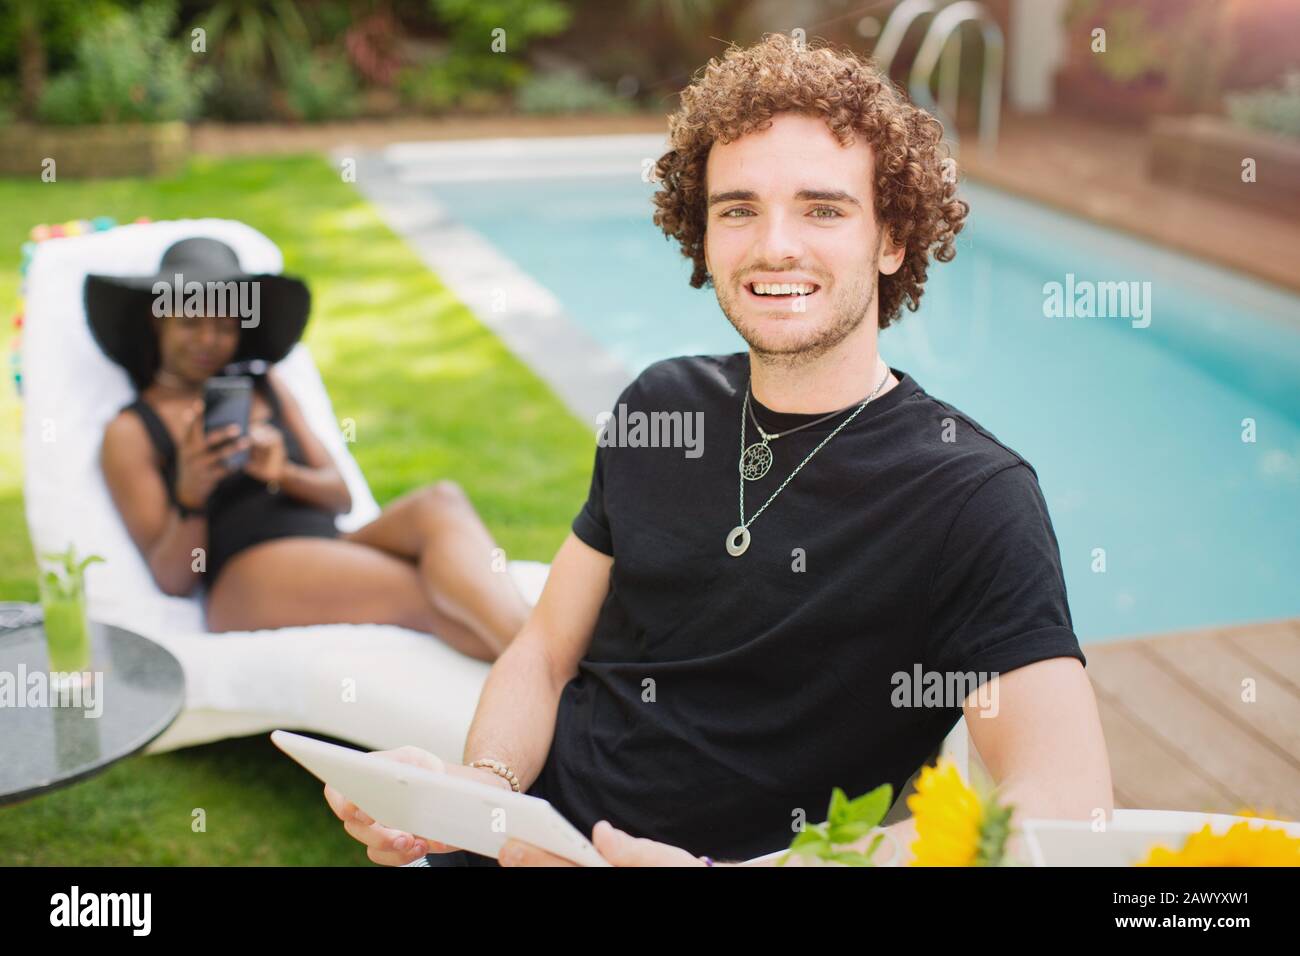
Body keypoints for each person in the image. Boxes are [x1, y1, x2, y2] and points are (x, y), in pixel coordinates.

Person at [326, 33, 1114, 866]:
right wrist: (484, 790)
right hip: (531, 839)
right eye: (738, 208)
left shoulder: (972, 498)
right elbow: (545, 650)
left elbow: (1061, 808)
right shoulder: (660, 405)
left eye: (822, 208)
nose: (775, 245)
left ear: (892, 240)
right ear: (702, 234)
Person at [90, 237, 529, 660]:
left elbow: (341, 497)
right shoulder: (132, 430)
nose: (208, 340)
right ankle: (558, 670)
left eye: (224, 326)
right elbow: (173, 579)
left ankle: (551, 666)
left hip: (331, 545)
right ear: (157, 321)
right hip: (248, 576)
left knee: (440, 501)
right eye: (190, 322)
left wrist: (283, 474)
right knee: (433, 593)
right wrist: (192, 494)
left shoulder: (268, 386)